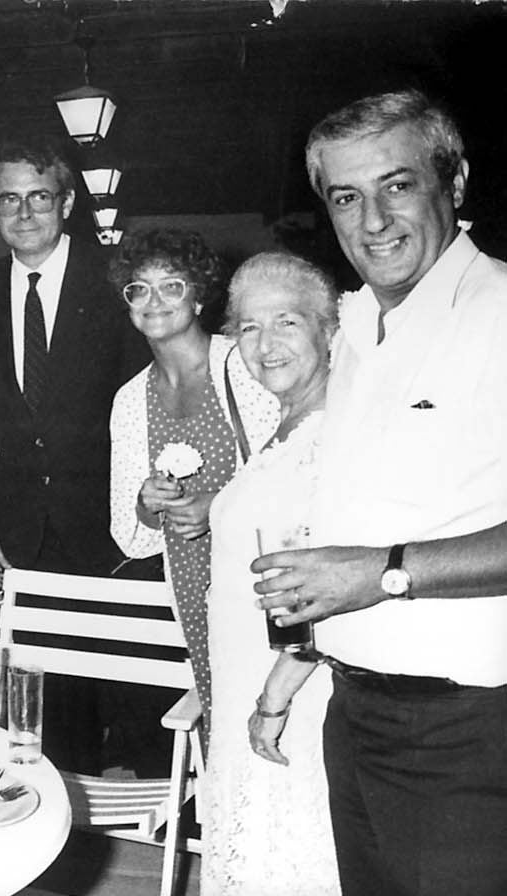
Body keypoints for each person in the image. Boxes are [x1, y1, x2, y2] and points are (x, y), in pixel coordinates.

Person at [254, 89, 507, 896]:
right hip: (356, 711)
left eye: (397, 186)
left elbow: (374, 558)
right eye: (346, 198)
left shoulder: (499, 315)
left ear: (454, 183)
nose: (374, 221)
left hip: (464, 731)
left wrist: (383, 572)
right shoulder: (359, 326)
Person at [0, 137, 153, 773]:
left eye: (40, 197)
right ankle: (62, 821)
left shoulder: (116, 283)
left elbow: (145, 396)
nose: (25, 212)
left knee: (126, 682)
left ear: (66, 204)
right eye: (10, 199)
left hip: (109, 519)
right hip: (17, 523)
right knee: (45, 689)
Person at [108, 230, 280, 752]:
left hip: (258, 580)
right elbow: (130, 538)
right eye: (138, 289)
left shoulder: (245, 366)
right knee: (222, 720)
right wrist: (146, 502)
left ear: (200, 295)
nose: (153, 301)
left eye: (171, 286)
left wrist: (217, 507)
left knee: (272, 714)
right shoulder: (131, 398)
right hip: (190, 588)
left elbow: (294, 475)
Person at [202, 252, 339, 895]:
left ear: (327, 328)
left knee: (288, 844)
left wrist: (273, 700)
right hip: (245, 678)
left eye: (286, 321)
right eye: (249, 328)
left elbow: (321, 581)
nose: (265, 344)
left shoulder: (331, 436)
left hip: (290, 692)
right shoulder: (285, 427)